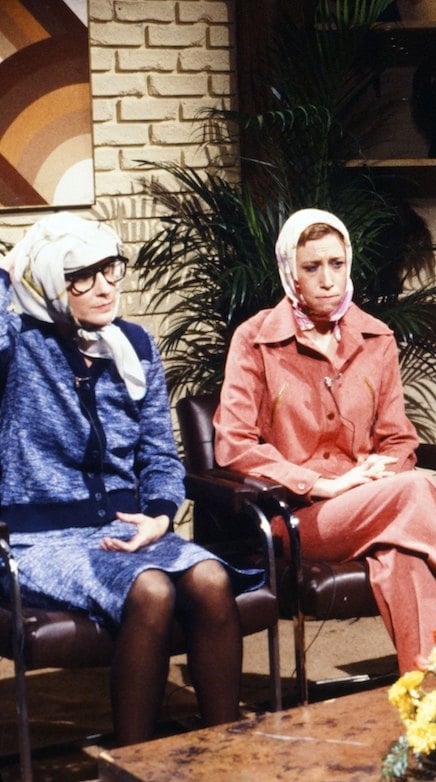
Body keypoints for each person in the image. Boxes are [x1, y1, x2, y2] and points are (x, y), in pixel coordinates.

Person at [212, 208, 436, 671]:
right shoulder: (254, 339)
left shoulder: (376, 337)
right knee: (419, 487)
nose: (328, 279)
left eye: (337, 264)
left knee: (404, 559)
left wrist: (375, 476)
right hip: (297, 517)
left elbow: (400, 441)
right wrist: (322, 484)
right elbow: (233, 445)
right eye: (312, 267)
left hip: (375, 505)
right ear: (289, 270)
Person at [0, 213, 262, 745]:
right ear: (51, 282)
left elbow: (161, 456)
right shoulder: (18, 345)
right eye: (81, 276)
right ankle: (134, 761)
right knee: (151, 589)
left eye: (111, 269)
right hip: (42, 539)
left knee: (211, 582)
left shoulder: (135, 345)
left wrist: (162, 516)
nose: (104, 288)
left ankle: (223, 754)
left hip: (129, 528)